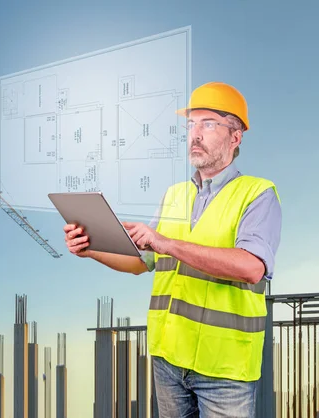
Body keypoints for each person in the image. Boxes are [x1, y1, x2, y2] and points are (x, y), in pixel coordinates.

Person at [64, 82, 282, 418]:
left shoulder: (257, 194)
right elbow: (142, 262)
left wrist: (164, 242)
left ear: (235, 137)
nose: (195, 134)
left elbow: (251, 266)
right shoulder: (174, 195)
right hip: (168, 359)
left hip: (225, 369)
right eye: (191, 125)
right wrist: (90, 248)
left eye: (208, 124)